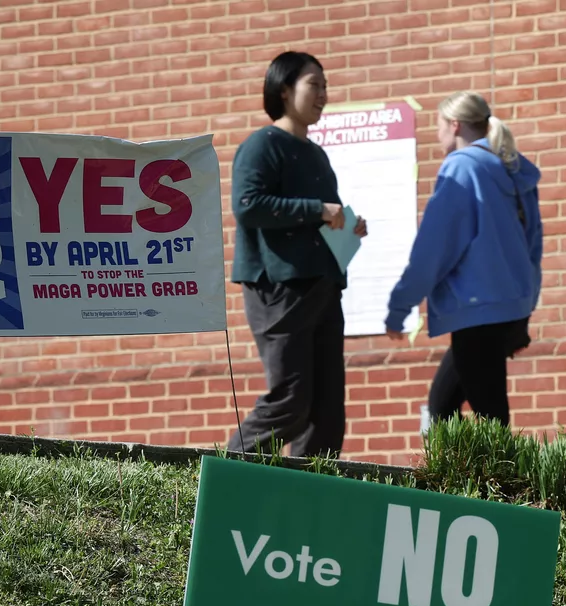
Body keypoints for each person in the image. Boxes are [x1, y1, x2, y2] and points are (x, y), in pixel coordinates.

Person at [226, 51, 368, 458]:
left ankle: (309, 501)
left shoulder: (316, 154)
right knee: (290, 403)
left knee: (327, 414)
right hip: (279, 289)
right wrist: (317, 210)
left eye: (326, 86)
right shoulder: (262, 145)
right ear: (284, 90)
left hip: (323, 288)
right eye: (314, 84)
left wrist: (348, 224)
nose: (323, 94)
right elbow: (248, 205)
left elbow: (324, 217)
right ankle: (227, 476)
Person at [384, 91, 543, 427]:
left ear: (454, 124)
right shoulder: (513, 169)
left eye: (439, 125)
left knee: (475, 412)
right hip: (509, 309)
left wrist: (400, 306)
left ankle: (487, 479)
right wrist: (524, 308)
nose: (437, 134)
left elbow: (433, 249)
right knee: (457, 405)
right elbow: (533, 246)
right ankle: (472, 478)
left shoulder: (461, 168)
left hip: (475, 312)